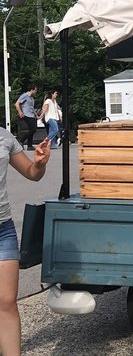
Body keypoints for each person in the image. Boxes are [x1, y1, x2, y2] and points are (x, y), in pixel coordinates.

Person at [0, 133, 51, 356]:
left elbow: (32, 174)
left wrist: (39, 163)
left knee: (7, 301)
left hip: (3, 229)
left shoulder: (4, 136)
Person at [14, 86, 38, 151]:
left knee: (31, 130)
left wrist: (36, 115)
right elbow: (17, 104)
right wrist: (20, 112)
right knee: (33, 129)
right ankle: (21, 141)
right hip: (26, 115)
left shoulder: (32, 99)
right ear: (31, 89)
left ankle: (29, 146)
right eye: (35, 90)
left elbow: (32, 108)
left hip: (32, 115)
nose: (36, 92)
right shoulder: (24, 95)